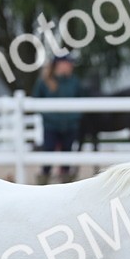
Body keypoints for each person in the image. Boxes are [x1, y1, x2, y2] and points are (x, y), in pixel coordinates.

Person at [31, 54, 83, 184]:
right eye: (67, 63)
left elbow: (82, 100)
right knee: (48, 152)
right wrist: (49, 116)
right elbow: (36, 101)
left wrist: (74, 117)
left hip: (70, 124)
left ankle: (65, 182)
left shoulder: (74, 81)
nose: (70, 66)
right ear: (58, 65)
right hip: (51, 125)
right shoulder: (44, 82)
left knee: (67, 153)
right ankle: (43, 183)